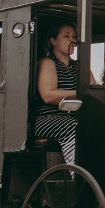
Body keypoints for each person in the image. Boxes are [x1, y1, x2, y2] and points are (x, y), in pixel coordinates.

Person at [33, 23, 92, 164]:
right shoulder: (47, 63)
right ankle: (78, 176)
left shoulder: (80, 66)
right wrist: (81, 93)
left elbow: (93, 90)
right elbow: (48, 95)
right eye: (66, 36)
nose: (72, 40)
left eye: (74, 37)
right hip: (47, 119)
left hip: (75, 118)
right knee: (73, 127)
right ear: (53, 41)